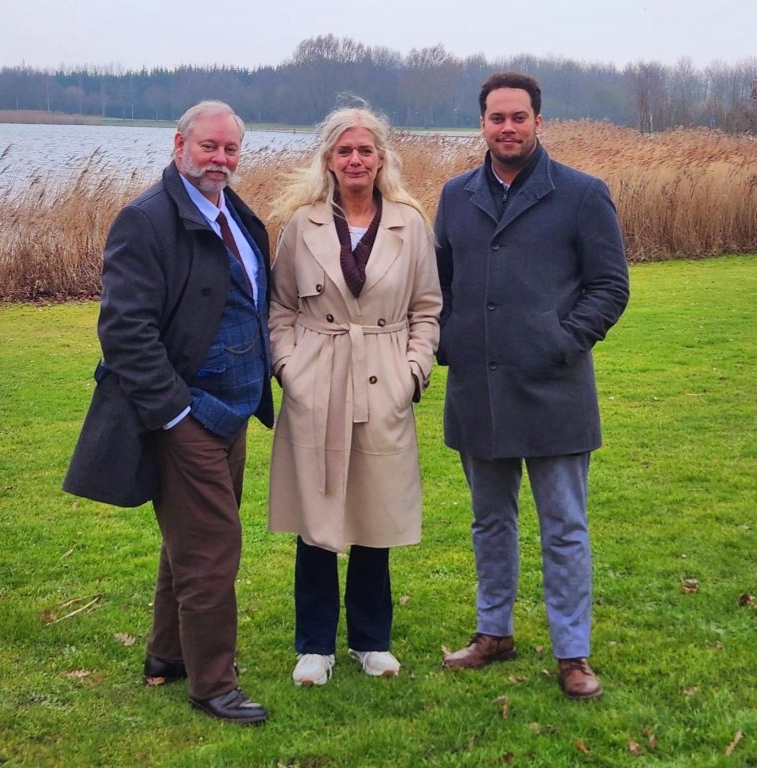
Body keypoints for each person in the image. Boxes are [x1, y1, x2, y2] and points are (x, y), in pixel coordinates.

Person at [63, 100, 273, 724]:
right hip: (188, 415)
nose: (220, 159)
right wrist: (177, 416)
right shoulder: (146, 220)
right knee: (213, 549)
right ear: (180, 145)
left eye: (230, 149)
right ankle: (214, 685)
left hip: (233, 410)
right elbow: (124, 331)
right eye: (209, 146)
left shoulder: (233, 211)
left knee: (188, 540)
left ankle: (168, 653)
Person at [435, 73, 629, 699]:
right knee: (489, 522)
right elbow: (440, 285)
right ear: (482, 124)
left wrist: (560, 342)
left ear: (538, 122)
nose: (508, 127)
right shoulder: (455, 196)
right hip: (478, 389)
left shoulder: (581, 194)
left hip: (555, 390)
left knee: (564, 527)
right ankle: (494, 632)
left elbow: (610, 286)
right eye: (497, 118)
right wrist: (449, 342)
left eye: (519, 117)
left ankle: (573, 652)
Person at [268, 106, 441, 687]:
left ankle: (371, 640)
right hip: (317, 378)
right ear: (328, 160)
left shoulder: (410, 224)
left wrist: (412, 372)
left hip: (384, 378)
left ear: (382, 157)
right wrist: (289, 368)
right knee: (316, 514)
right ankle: (314, 645)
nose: (355, 160)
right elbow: (280, 307)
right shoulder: (302, 225)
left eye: (365, 150)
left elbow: (427, 309)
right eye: (344, 151)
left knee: (374, 512)